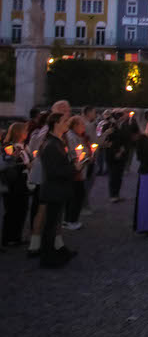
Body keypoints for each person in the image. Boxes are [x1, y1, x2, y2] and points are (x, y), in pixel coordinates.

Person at [38, 112, 81, 268]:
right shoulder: (51, 145)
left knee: (54, 223)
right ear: (55, 123)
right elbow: (54, 171)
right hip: (53, 190)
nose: (67, 124)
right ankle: (47, 257)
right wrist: (73, 168)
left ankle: (53, 252)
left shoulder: (56, 142)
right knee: (50, 225)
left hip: (58, 189)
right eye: (64, 121)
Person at [2, 123, 31, 247]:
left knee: (22, 209)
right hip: (14, 183)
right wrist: (25, 166)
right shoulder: (9, 147)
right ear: (18, 132)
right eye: (25, 130)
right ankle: (8, 238)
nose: (27, 133)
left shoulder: (25, 146)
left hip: (23, 181)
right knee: (12, 210)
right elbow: (8, 165)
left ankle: (17, 236)